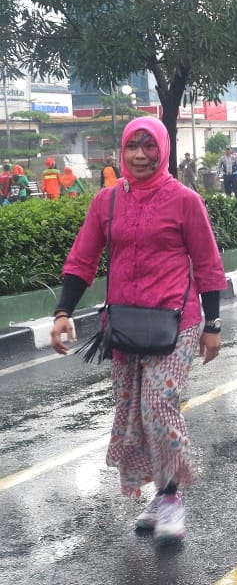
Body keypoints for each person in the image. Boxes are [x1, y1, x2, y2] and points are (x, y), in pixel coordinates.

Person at [49, 117, 227, 544]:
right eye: (133, 146)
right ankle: (161, 493)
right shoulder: (107, 201)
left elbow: (208, 264)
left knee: (157, 406)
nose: (141, 155)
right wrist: (63, 311)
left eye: (150, 146)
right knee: (133, 412)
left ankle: (171, 498)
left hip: (176, 322)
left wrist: (213, 324)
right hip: (125, 326)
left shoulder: (185, 201)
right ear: (122, 151)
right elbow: (82, 259)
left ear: (163, 150)